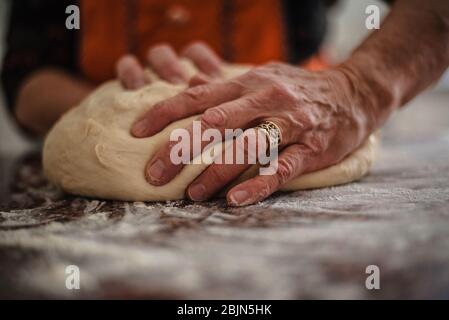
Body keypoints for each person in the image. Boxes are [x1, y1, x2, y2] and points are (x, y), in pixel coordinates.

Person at [2, 0, 449, 206]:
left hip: (305, 126)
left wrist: (358, 88)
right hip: (105, 106)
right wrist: (123, 106)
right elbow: (28, 76)